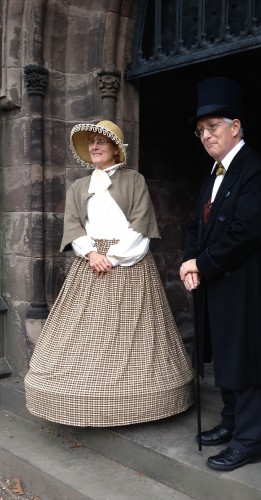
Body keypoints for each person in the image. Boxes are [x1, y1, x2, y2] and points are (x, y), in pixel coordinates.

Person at [25, 120, 194, 427]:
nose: (95, 146)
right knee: (86, 334)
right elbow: (73, 225)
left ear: (117, 148)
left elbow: (141, 224)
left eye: (101, 142)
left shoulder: (134, 180)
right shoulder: (79, 186)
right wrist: (91, 253)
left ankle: (131, 400)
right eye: (91, 142)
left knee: (131, 331)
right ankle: (86, 396)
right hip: (90, 262)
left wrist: (113, 258)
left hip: (128, 262)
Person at [180, 77, 261, 471]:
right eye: (201, 130)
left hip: (250, 284)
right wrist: (190, 260)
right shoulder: (211, 174)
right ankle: (230, 424)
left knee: (248, 360)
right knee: (227, 355)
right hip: (219, 281)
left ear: (236, 127)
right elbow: (197, 225)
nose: (206, 135)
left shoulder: (259, 169)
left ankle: (249, 442)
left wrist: (203, 264)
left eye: (213, 127)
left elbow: (247, 230)